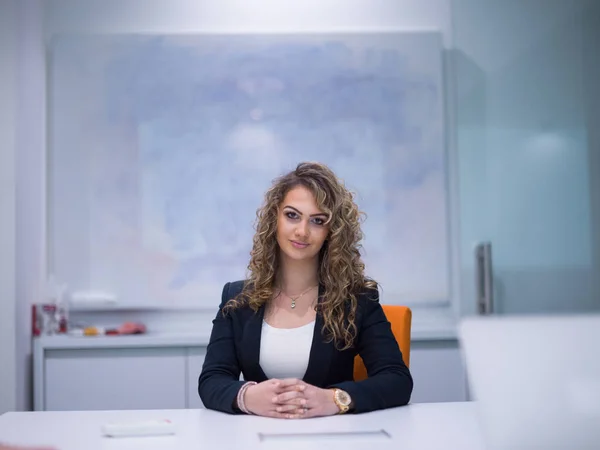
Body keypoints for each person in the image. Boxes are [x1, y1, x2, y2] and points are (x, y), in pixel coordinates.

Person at [198, 162, 413, 419]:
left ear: (331, 232)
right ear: (274, 219)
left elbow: (397, 380)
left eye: (318, 221)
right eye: (292, 215)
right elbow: (212, 380)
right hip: (255, 437)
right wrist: (246, 396)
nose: (302, 231)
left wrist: (335, 399)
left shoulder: (356, 300)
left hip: (334, 438)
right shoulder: (237, 299)